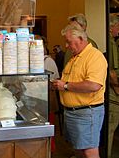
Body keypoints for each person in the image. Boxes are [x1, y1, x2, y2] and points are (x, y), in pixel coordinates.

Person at [51, 23, 107, 158]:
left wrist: (65, 86)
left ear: (81, 39)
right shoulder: (74, 57)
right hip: (73, 113)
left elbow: (94, 85)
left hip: (87, 112)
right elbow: (72, 80)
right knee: (78, 150)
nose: (66, 45)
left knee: (89, 152)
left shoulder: (94, 56)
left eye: (68, 42)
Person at [108, 14, 119, 158]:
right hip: (113, 91)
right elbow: (111, 71)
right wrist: (117, 89)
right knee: (112, 126)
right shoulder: (111, 43)